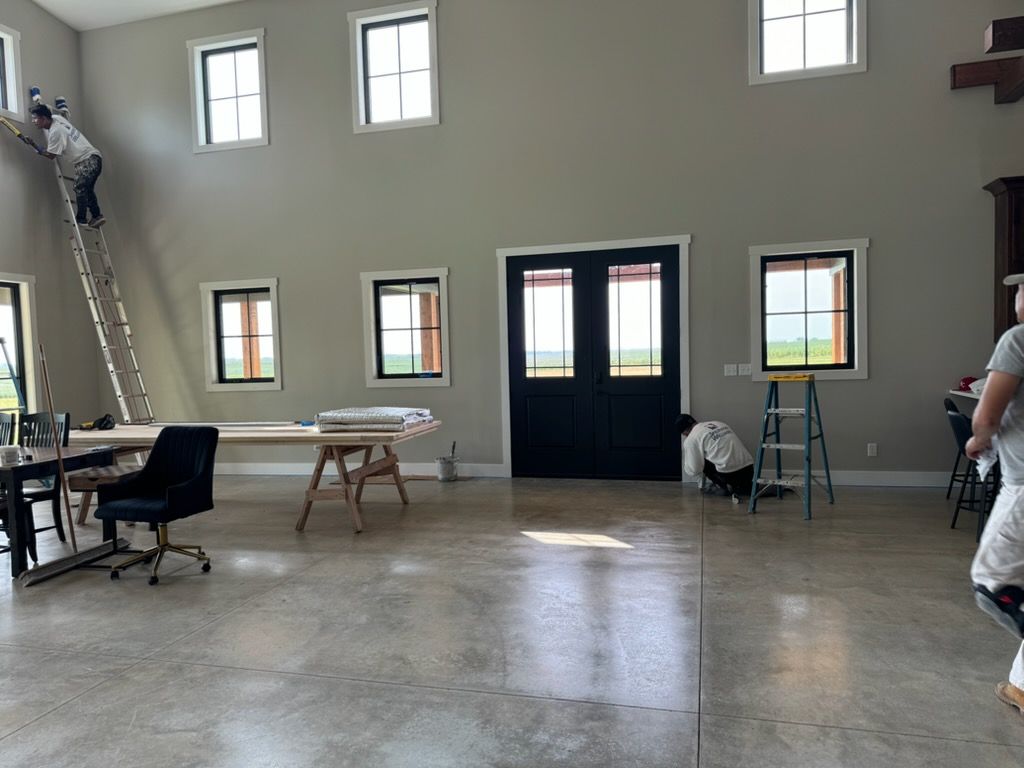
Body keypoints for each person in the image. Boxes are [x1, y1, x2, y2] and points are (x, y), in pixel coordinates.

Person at [968, 272, 1024, 716]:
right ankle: (1021, 687)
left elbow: (987, 416)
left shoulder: (1018, 339)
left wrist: (978, 440)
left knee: (993, 583)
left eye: (1021, 289)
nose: (1017, 297)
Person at [27, 104, 105, 228]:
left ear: (44, 118)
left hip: (86, 161)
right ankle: (97, 216)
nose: (33, 121)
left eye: (35, 118)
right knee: (87, 190)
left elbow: (51, 155)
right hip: (95, 159)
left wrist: (35, 146)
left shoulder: (56, 132)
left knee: (79, 187)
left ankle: (81, 219)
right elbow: (51, 112)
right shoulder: (57, 118)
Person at [677, 414, 754, 497]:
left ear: (684, 433)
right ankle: (743, 487)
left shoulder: (691, 438)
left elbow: (694, 470)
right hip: (749, 470)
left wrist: (687, 465)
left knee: (700, 460)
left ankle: (726, 487)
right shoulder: (719, 423)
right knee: (710, 452)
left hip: (730, 475)